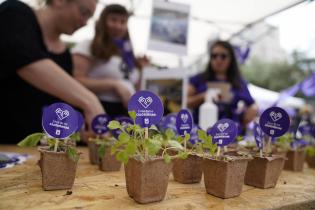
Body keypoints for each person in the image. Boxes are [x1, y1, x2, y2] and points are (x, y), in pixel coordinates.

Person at [0, 0, 105, 143]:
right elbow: (23, 57)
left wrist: (82, 130)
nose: (85, 22)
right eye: (84, 12)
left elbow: (56, 107)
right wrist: (90, 101)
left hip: (38, 154)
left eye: (89, 17)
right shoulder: (14, 13)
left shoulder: (65, 55)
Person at [72, 4, 149, 118]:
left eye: (123, 22)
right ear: (103, 21)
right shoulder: (88, 46)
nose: (118, 26)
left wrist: (143, 70)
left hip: (126, 115)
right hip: (98, 111)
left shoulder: (128, 53)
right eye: (113, 20)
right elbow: (75, 80)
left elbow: (136, 88)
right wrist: (113, 85)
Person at [188, 40, 258, 134]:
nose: (218, 60)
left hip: (230, 135)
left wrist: (252, 110)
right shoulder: (198, 79)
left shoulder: (239, 82)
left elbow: (252, 104)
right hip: (201, 134)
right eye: (214, 56)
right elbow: (185, 101)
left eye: (223, 56)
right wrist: (204, 96)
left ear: (231, 59)